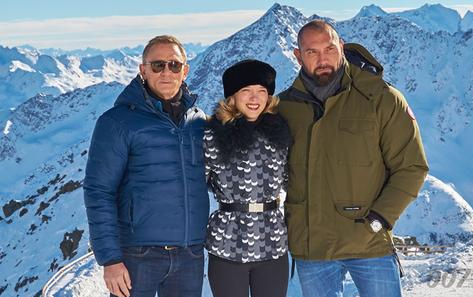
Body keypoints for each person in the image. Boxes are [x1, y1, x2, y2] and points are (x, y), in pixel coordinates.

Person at [278, 20, 429, 297]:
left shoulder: (381, 99)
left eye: (329, 49)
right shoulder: (284, 107)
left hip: (369, 244)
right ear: (298, 56)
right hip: (312, 249)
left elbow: (412, 167)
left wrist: (380, 219)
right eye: (312, 52)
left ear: (342, 48)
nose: (322, 58)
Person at [83, 35, 209, 297]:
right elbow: (99, 191)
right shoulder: (118, 122)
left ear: (185, 70)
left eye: (174, 65)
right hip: (136, 256)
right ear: (143, 70)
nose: (166, 72)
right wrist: (110, 260)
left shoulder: (198, 121)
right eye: (157, 65)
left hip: (189, 255)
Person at [203, 59, 291, 297]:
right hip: (228, 242)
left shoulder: (280, 135)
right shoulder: (212, 136)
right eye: (246, 91)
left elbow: (293, 182)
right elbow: (195, 185)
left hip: (272, 241)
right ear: (232, 96)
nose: (255, 98)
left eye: (262, 91)